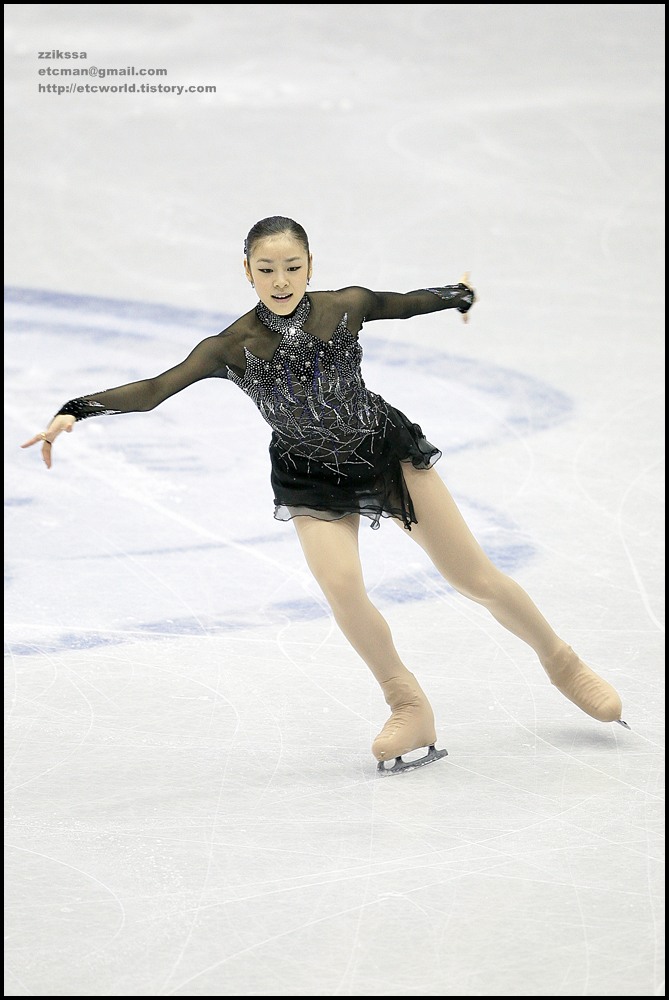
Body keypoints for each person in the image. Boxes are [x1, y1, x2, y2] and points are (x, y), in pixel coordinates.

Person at [21, 215, 629, 773]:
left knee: (473, 577)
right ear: (247, 272)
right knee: (341, 589)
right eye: (266, 269)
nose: (280, 280)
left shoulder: (344, 307)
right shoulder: (230, 348)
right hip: (309, 476)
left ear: (310, 267)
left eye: (292, 267)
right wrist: (77, 410)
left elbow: (404, 303)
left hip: (382, 452)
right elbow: (156, 389)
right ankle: (407, 703)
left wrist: (455, 296)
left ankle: (563, 662)